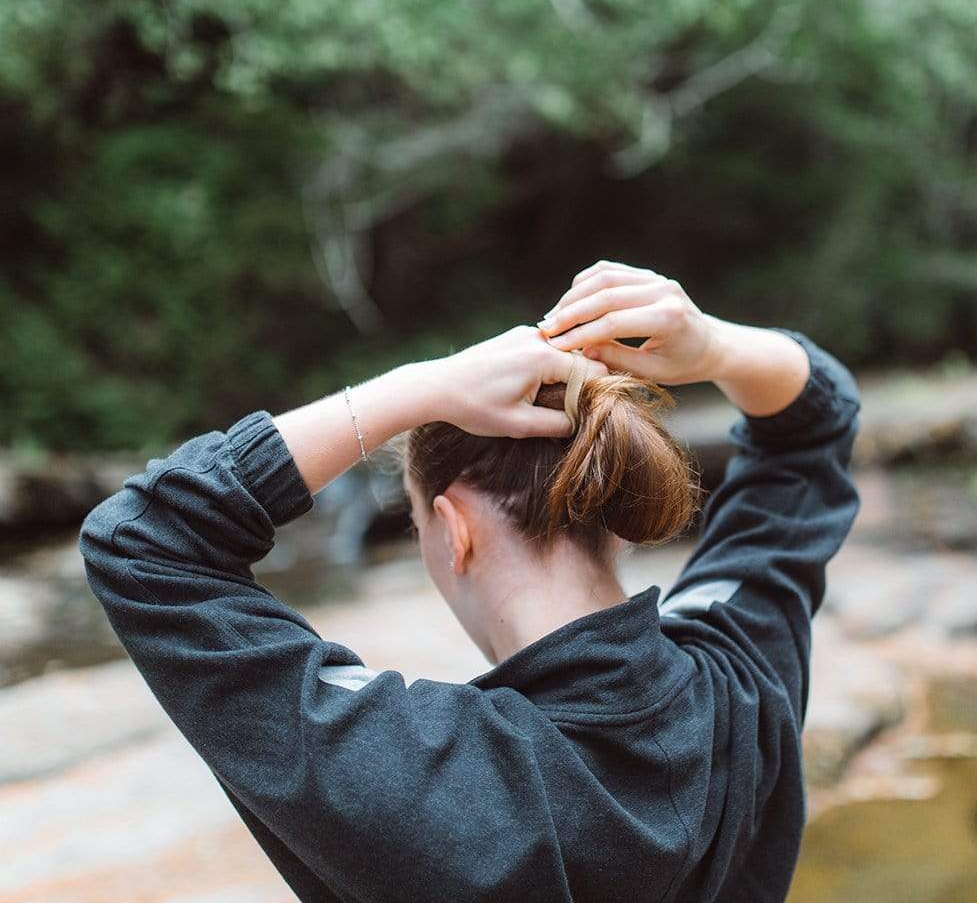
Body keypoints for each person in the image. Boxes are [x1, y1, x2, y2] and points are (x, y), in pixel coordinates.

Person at [81, 259, 861, 902]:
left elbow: (142, 541)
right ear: (610, 516)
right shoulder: (741, 685)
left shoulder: (412, 769)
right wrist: (714, 348)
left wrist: (402, 393)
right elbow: (811, 429)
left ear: (452, 531)